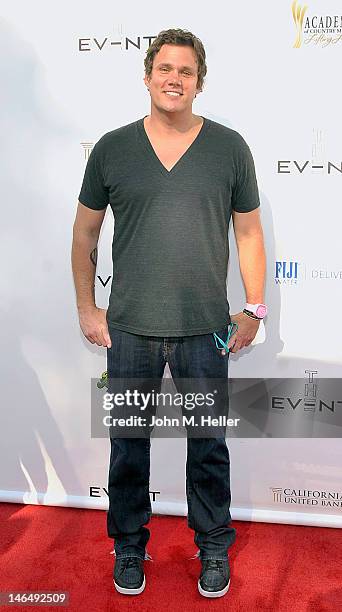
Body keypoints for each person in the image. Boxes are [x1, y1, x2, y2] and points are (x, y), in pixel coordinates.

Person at [72, 28, 267, 599]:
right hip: (129, 330)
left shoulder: (230, 147)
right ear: (148, 76)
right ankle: (129, 548)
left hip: (206, 332)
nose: (174, 79)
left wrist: (254, 306)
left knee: (208, 446)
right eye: (164, 69)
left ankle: (212, 549)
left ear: (198, 81)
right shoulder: (112, 148)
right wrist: (88, 307)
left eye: (185, 71)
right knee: (127, 447)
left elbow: (249, 231)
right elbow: (85, 230)